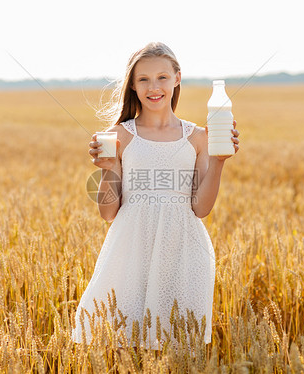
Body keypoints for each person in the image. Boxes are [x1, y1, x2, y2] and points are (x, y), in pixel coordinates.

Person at [72, 42, 239, 349]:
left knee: (178, 343)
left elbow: (201, 208)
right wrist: (108, 167)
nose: (154, 87)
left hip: (184, 248)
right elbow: (108, 213)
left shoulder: (199, 137)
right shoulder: (119, 135)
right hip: (131, 248)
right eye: (144, 79)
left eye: (162, 77)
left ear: (177, 78)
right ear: (133, 86)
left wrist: (218, 161)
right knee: (123, 341)